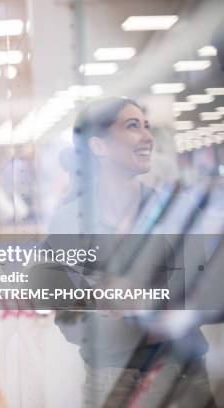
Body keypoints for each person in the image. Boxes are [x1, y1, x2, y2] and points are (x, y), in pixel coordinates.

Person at [49, 97, 216, 407]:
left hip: (184, 373)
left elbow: (209, 295)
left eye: (146, 126)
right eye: (132, 126)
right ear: (97, 146)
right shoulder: (69, 223)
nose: (147, 136)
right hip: (113, 380)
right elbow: (70, 321)